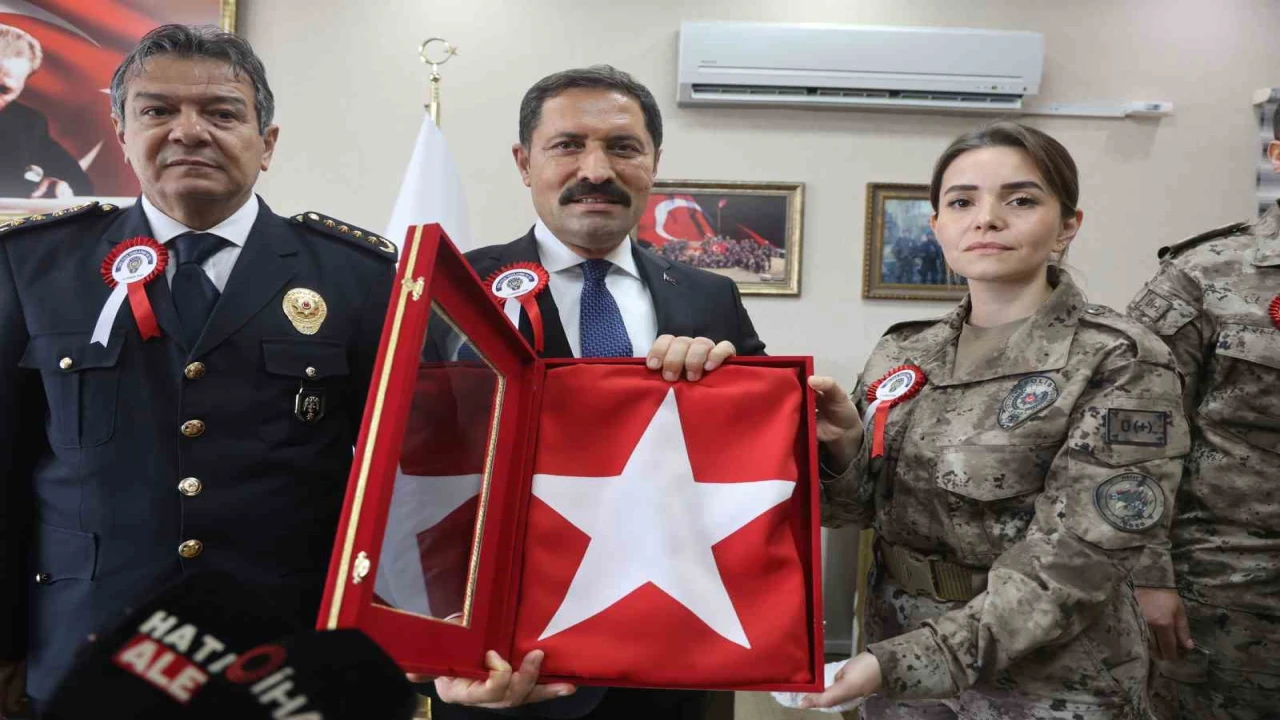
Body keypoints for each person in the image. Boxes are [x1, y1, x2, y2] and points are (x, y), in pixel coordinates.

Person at [0, 24, 396, 714]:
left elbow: (405, 482)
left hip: (283, 662)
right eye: (157, 111)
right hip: (86, 652)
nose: (189, 132)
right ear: (122, 134)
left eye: (221, 112)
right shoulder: (32, 266)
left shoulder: (359, 278)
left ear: (266, 143)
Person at [801, 122, 1189, 718]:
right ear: (937, 226)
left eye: (1021, 200)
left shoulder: (1119, 358)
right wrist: (844, 447)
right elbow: (852, 514)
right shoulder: (904, 351)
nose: (986, 219)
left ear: (1067, 226)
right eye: (962, 202)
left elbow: (1080, 561)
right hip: (898, 654)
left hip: (1050, 677)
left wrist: (903, 661)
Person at [425, 65, 766, 720]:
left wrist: (817, 431)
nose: (596, 170)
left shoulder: (710, 297)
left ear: (654, 163)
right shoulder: (452, 290)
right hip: (505, 671)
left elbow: (757, 466)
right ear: (524, 163)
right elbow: (411, 482)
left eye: (622, 147)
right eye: (567, 145)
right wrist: (436, 654)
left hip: (675, 662)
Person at [1123, 104, 1280, 720]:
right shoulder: (1203, 275)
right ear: (1277, 156)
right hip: (1231, 594)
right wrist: (1147, 575)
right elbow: (1131, 434)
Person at [0, 24, 94, 198]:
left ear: (21, 87)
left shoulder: (26, 124)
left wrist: (59, 188)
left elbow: (80, 186)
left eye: (4, 90)